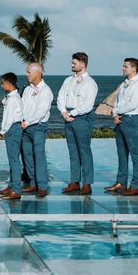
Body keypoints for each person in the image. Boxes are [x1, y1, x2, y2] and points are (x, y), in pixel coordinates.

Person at [57, 52, 98, 195]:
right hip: (67, 117)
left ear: (82, 64)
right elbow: (61, 97)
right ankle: (74, 181)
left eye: (74, 63)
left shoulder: (90, 83)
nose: (71, 65)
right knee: (73, 152)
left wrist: (72, 113)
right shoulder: (68, 80)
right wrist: (63, 112)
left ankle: (87, 183)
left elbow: (88, 105)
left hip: (82, 118)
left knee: (84, 151)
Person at [106, 58, 138, 196]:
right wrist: (114, 114)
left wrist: (118, 112)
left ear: (133, 68)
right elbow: (118, 101)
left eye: (125, 66)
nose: (123, 68)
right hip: (121, 119)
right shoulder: (124, 83)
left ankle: (135, 185)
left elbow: (134, 104)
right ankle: (121, 182)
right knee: (121, 153)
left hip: (132, 120)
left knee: (135, 154)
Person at [20, 63, 53, 198]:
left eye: (29, 72)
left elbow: (41, 111)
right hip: (25, 127)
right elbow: (22, 106)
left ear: (37, 73)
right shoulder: (27, 89)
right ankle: (33, 183)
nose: (26, 75)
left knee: (39, 156)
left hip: (38, 127)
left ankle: (42, 186)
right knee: (27, 156)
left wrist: (27, 122)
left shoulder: (46, 90)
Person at [0, 72, 24, 200]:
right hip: (14, 128)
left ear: (8, 84)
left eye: (3, 84)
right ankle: (12, 186)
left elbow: (8, 118)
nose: (2, 86)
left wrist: (3, 131)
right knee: (12, 159)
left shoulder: (13, 99)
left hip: (12, 128)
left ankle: (16, 189)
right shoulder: (13, 97)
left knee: (14, 160)